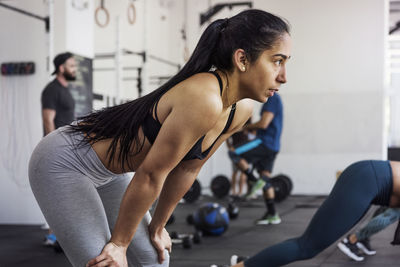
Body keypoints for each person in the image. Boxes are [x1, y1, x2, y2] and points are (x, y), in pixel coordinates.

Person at [28, 9, 291, 267]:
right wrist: (119, 244)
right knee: (106, 262)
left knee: (154, 258)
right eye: (277, 61)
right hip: (66, 161)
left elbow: (189, 168)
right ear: (242, 59)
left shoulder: (240, 110)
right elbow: (152, 174)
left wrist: (158, 226)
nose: (284, 76)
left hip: (112, 174)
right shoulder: (204, 97)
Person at [221, 160, 400, 267]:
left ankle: (256, 262)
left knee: (306, 246)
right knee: (307, 247)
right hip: (367, 180)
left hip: (369, 177)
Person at [228, 92, 283, 225]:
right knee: (265, 179)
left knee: (233, 152)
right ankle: (272, 214)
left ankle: (252, 181)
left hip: (265, 142)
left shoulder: (273, 98)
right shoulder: (275, 99)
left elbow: (264, 123)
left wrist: (244, 128)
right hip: (273, 147)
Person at [41, 52, 77, 246]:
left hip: (69, 148)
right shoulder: (52, 90)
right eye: (71, 66)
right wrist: (53, 148)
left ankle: (59, 233)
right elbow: (48, 120)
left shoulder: (65, 90)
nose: (75, 69)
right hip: (58, 149)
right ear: (61, 68)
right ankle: (52, 234)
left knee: (67, 192)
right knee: (56, 192)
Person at [226, 119, 252, 198]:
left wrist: (230, 147)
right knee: (240, 172)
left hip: (241, 150)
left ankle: (237, 192)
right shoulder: (237, 125)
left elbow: (226, 137)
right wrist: (230, 147)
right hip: (239, 150)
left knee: (238, 172)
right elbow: (227, 137)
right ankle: (237, 192)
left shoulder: (236, 124)